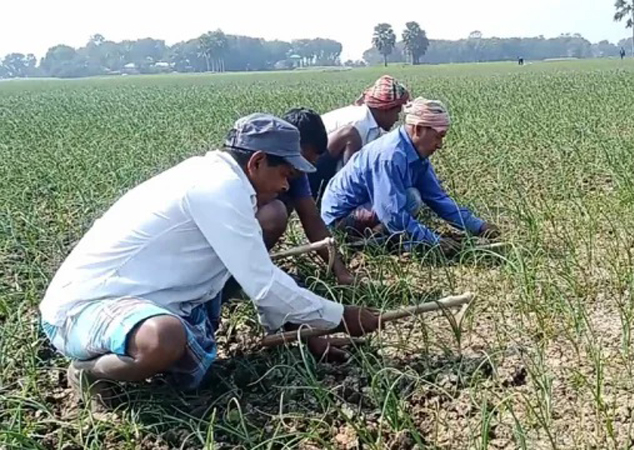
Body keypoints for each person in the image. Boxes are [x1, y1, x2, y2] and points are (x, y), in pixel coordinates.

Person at [38, 113, 380, 404]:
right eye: (286, 175)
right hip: (83, 308)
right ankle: (88, 373)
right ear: (257, 161)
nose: (287, 187)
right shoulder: (217, 189)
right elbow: (264, 284)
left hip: (152, 292)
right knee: (163, 339)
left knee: (189, 318)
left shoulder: (230, 185)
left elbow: (255, 273)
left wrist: (307, 331)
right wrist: (341, 316)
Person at [320, 98, 500, 254]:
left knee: (412, 198)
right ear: (418, 130)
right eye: (438, 137)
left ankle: (388, 238)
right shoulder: (390, 156)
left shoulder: (415, 154)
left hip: (367, 207)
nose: (440, 145)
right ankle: (364, 243)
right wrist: (434, 242)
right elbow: (391, 213)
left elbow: (437, 198)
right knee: (410, 198)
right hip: (340, 221)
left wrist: (478, 226)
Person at [254, 107, 355, 285]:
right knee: (274, 214)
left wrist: (340, 271)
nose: (302, 170)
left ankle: (257, 265)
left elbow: (312, 219)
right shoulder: (260, 164)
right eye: (302, 161)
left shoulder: (297, 173)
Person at [307, 75, 410, 199]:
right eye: (396, 113)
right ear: (385, 109)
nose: (397, 118)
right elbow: (346, 170)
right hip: (310, 172)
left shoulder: (374, 126)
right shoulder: (359, 124)